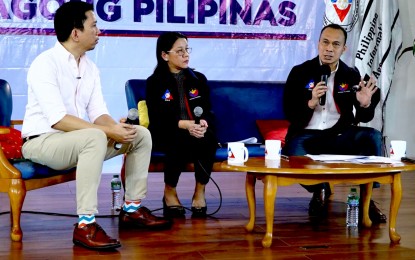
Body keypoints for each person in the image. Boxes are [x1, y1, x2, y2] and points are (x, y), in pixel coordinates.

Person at [21, 2, 171, 251]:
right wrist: (106, 131)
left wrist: (116, 127)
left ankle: (131, 210)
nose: (99, 31)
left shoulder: (90, 67)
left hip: (79, 140)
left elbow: (98, 113)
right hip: (43, 142)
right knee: (94, 137)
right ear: (75, 33)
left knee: (140, 135)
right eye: (94, 25)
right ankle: (85, 225)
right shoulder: (44, 64)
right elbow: (58, 119)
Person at [282, 23, 387, 223]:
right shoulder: (300, 72)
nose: (329, 49)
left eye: (336, 44)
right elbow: (289, 112)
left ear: (343, 49)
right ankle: (319, 189)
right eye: (325, 42)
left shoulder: (351, 75)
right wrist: (311, 103)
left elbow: (363, 118)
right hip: (306, 134)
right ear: (318, 44)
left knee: (372, 136)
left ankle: (367, 199)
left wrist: (364, 104)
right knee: (293, 158)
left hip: (338, 135)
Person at [146, 32, 218, 218]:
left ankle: (199, 191)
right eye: (179, 51)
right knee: (177, 139)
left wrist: (203, 122)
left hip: (193, 130)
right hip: (167, 131)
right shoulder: (154, 83)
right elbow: (157, 117)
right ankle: (170, 191)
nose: (186, 54)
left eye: (187, 49)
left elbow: (207, 109)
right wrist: (184, 124)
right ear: (164, 55)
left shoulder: (198, 79)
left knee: (207, 138)